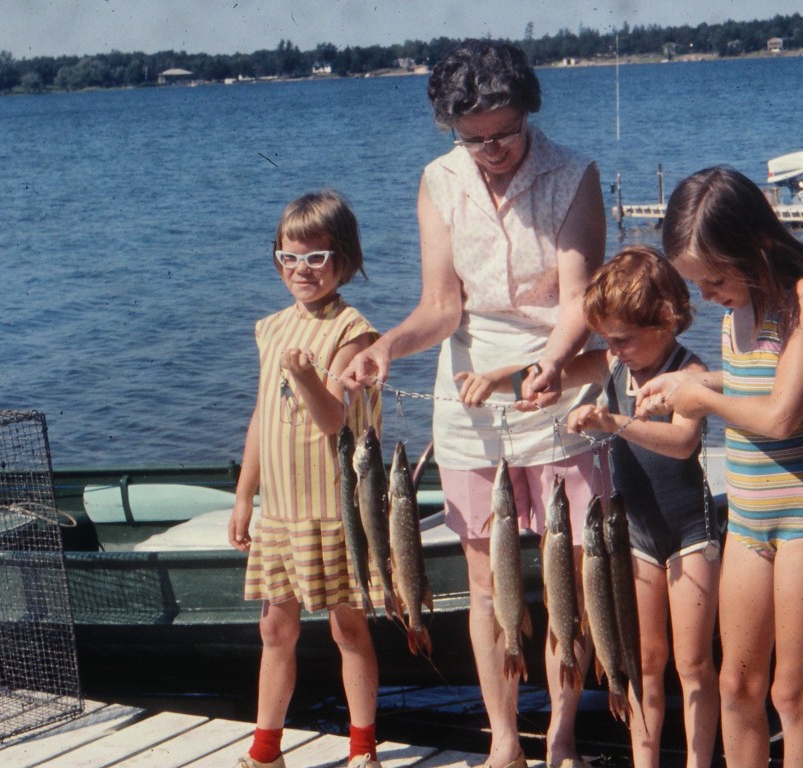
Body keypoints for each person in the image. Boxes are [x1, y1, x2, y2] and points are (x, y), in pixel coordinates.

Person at [343, 39, 606, 768]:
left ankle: (561, 737)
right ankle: (502, 741)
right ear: (450, 130)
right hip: (467, 398)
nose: (492, 150)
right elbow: (440, 306)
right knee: (487, 583)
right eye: (475, 138)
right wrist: (387, 347)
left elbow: (582, 300)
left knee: (570, 577)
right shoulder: (439, 180)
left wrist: (549, 362)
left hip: (560, 377)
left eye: (506, 132)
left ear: (530, 112)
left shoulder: (574, 174)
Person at [459, 245, 724, 768]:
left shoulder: (688, 371)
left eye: (622, 338)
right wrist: (504, 380)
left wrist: (611, 423)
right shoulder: (610, 363)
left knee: (693, 663)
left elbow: (682, 443)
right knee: (644, 661)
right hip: (638, 536)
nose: (614, 348)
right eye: (607, 338)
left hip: (690, 530)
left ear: (665, 323)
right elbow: (552, 374)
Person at [636, 166, 803, 768]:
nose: (706, 296)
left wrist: (701, 399)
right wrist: (691, 378)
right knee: (735, 687)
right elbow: (751, 382)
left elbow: (782, 416)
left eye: (713, 279)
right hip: (750, 520)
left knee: (791, 692)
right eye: (696, 282)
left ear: (753, 246)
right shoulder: (738, 312)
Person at [228, 190, 385, 768]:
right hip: (282, 511)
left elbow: (335, 420)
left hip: (335, 510)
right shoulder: (270, 329)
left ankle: (362, 748)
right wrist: (246, 496)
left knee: (348, 630)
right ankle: (266, 750)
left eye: (317, 258)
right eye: (289, 256)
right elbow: (261, 418)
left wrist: (304, 375)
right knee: (275, 630)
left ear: (343, 260)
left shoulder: (354, 330)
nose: (300, 269)